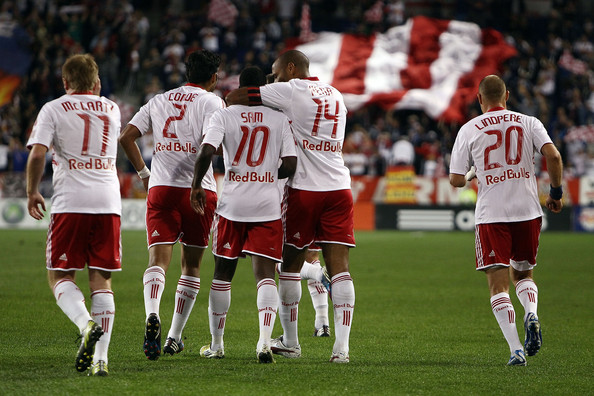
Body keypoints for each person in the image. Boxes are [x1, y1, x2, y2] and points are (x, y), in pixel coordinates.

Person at [226, 49, 356, 363]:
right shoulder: (337, 95)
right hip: (340, 187)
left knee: (288, 267)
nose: (274, 78)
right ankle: (342, 349)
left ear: (291, 67)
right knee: (340, 270)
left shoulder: (291, 88)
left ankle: (292, 342)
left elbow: (234, 96)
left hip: (305, 189)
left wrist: (265, 92)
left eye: (276, 72)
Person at [449, 75, 563, 366]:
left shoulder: (468, 129)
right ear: (507, 96)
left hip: (493, 215)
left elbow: (456, 180)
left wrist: (474, 172)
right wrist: (556, 193)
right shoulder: (529, 122)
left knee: (498, 286)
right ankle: (532, 313)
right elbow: (554, 156)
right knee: (523, 275)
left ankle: (516, 350)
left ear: (479, 99)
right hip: (528, 211)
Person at [118, 49, 225, 360]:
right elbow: (211, 146)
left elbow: (126, 138)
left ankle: (153, 314)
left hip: (161, 188)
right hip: (198, 190)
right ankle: (174, 337)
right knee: (190, 266)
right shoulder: (212, 102)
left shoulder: (159, 99)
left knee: (157, 260)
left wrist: (144, 174)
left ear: (186, 72)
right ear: (213, 77)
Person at [190, 66, 297, 363]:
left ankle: (217, 345)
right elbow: (290, 165)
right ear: (264, 88)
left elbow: (206, 151)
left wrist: (196, 185)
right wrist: (266, 175)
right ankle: (264, 342)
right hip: (267, 206)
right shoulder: (280, 119)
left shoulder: (224, 114)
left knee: (222, 275)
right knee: (265, 277)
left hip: (233, 205)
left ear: (240, 87)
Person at [26, 54, 122, 376]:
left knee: (60, 276)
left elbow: (38, 153)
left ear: (65, 83)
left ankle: (85, 324)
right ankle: (101, 361)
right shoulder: (112, 108)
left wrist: (32, 191)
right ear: (96, 82)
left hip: (71, 202)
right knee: (102, 280)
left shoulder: (52, 108)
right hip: (109, 202)